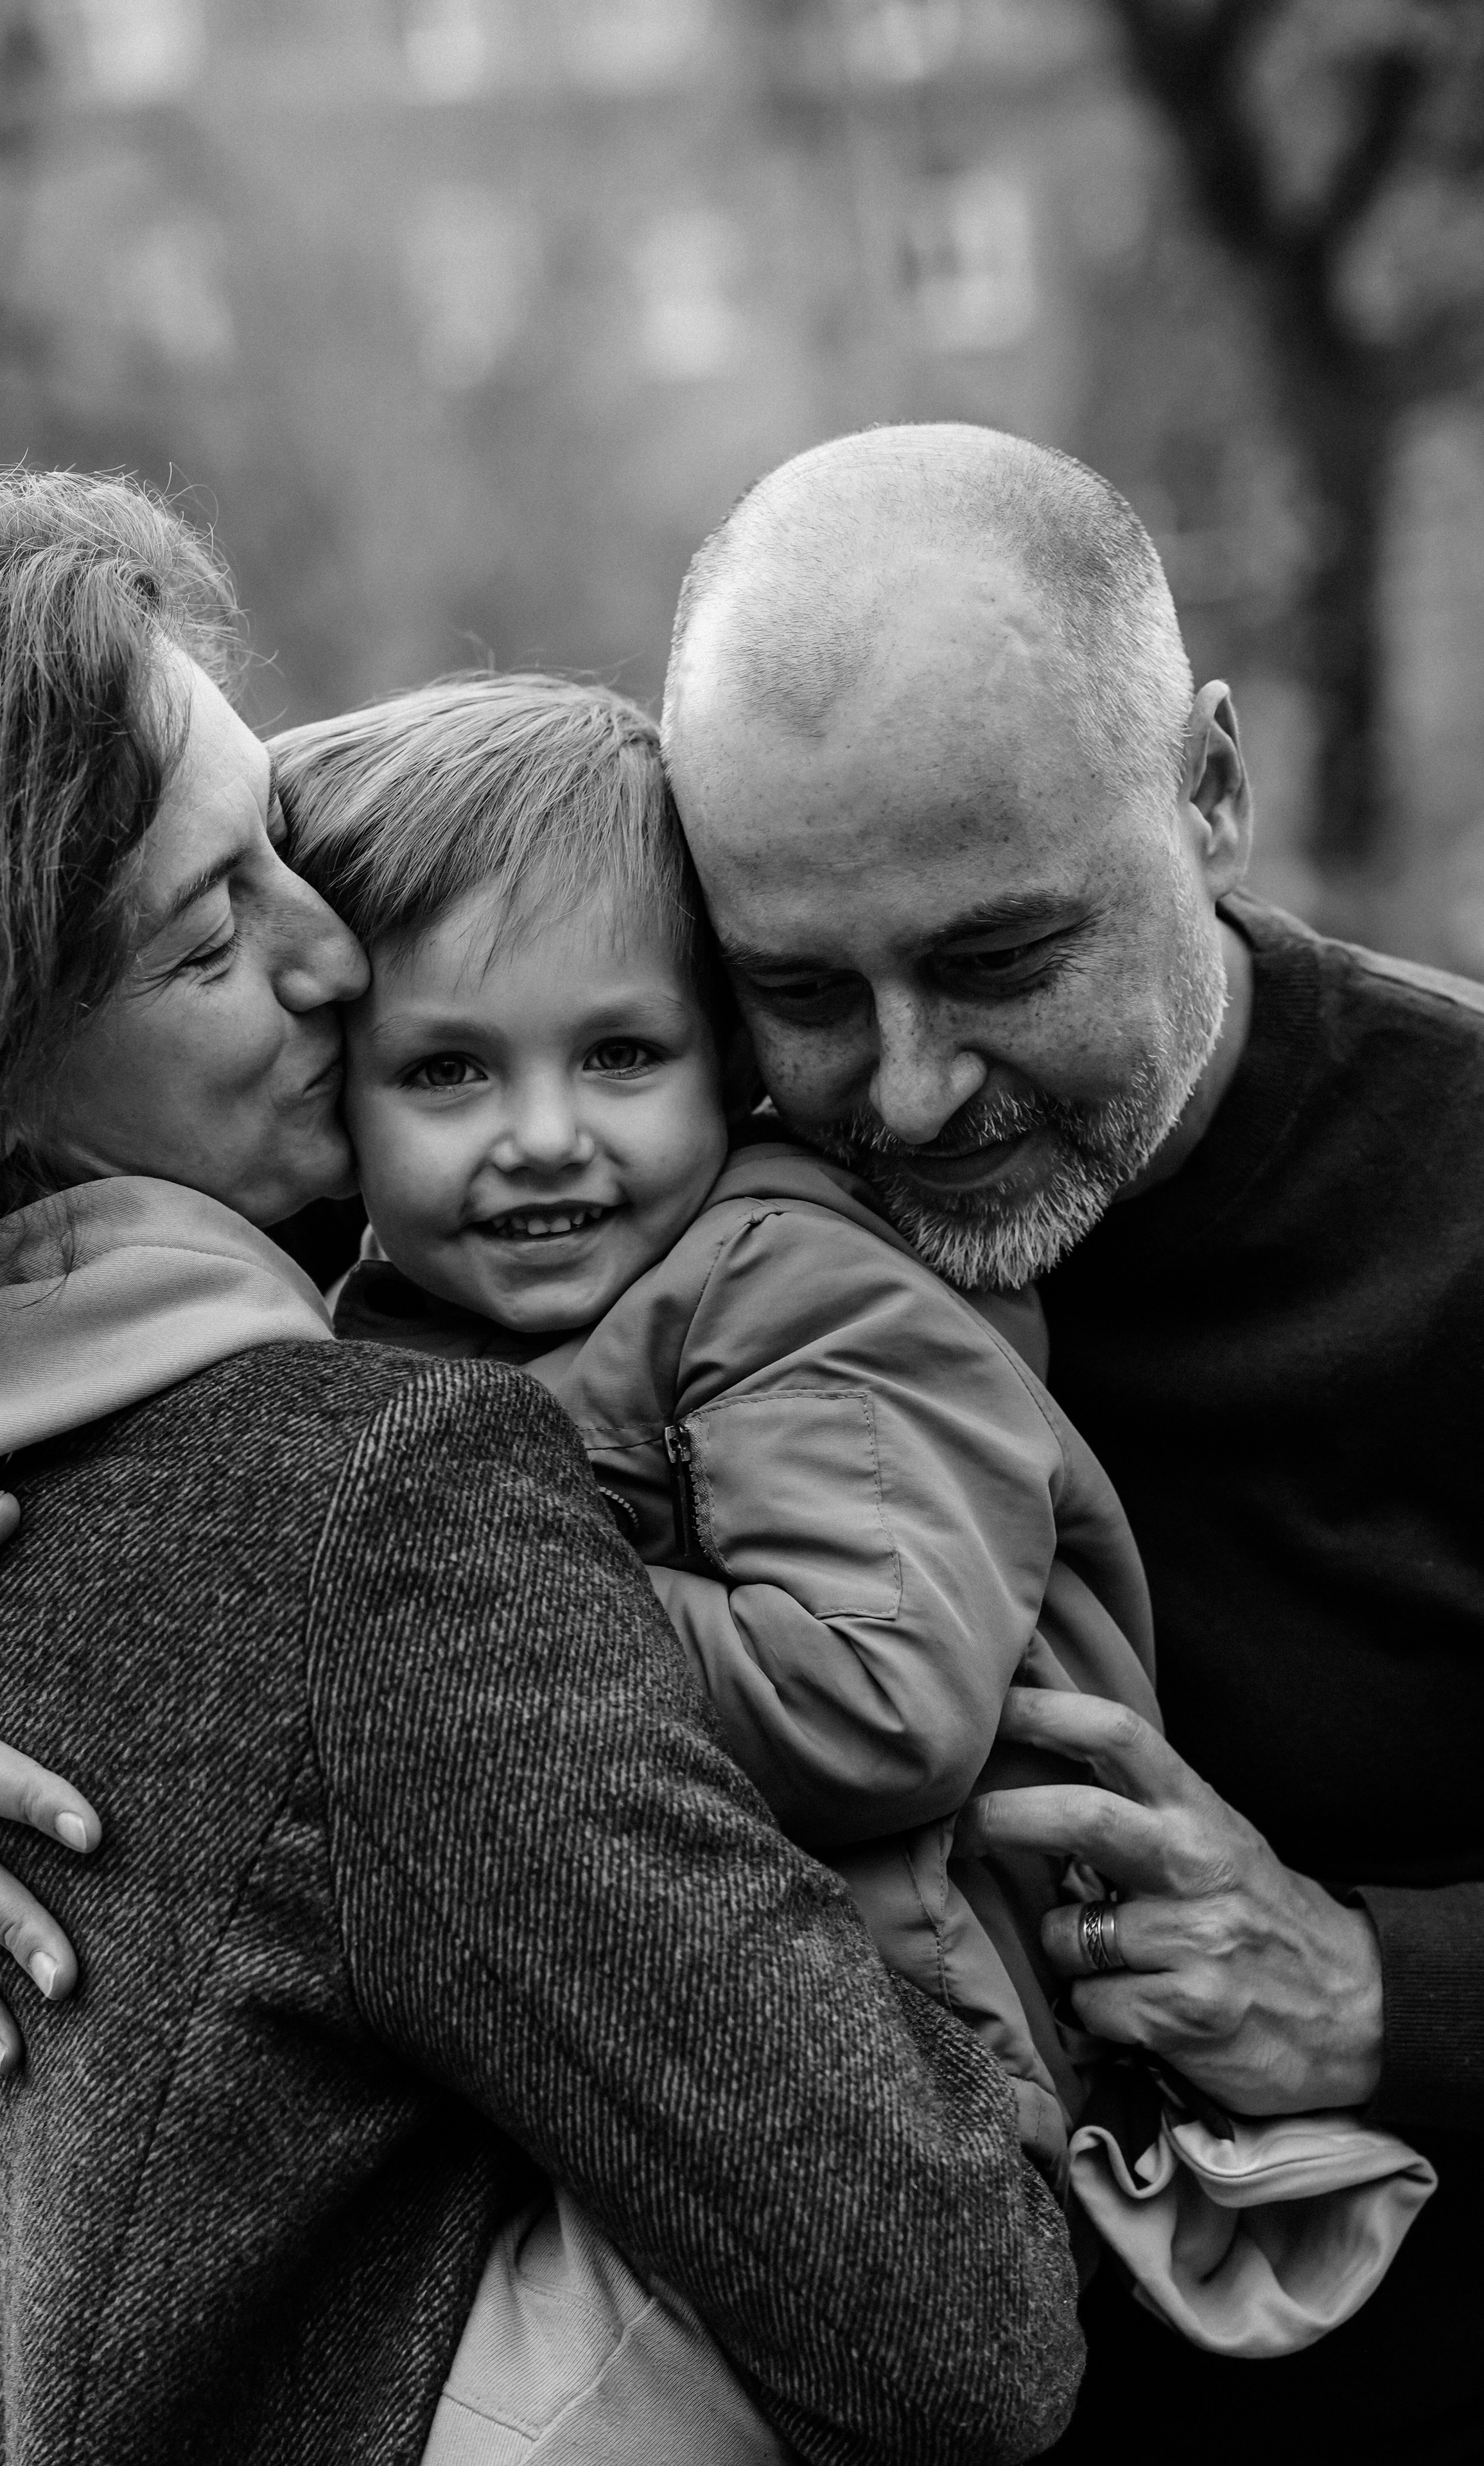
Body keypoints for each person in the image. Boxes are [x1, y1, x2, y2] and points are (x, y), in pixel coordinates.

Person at [0, 464, 1082, 2463]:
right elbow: (959, 2329)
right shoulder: (366, 1510)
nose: (333, 962)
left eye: (273, 850)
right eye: (204, 940)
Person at [658, 423, 1483, 2463]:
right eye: (801, 992)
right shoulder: (622, 1174)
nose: (912, 1094)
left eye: (997, 961)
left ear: (1212, 791)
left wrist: (1391, 1992)